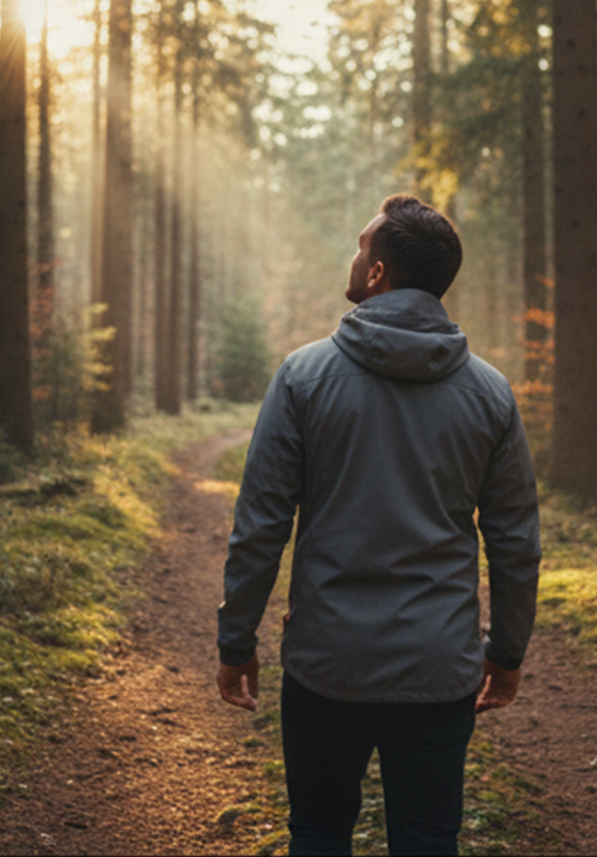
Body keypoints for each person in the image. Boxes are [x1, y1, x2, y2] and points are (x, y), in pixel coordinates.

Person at [216, 194, 541, 856]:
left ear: (377, 274)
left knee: (318, 831)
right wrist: (505, 655)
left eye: (361, 246)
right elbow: (514, 542)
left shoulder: (302, 377)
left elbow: (261, 527)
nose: (354, 254)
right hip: (439, 665)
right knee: (426, 838)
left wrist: (235, 640)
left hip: (326, 664)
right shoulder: (490, 393)